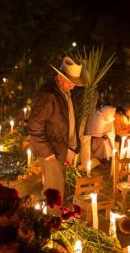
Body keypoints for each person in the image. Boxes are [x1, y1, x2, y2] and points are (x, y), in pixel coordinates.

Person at [28, 56, 87, 213]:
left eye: (74, 84)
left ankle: (53, 222)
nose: (73, 87)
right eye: (70, 82)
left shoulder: (63, 91)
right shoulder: (48, 94)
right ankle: (52, 226)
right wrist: (47, 151)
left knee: (57, 188)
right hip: (50, 152)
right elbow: (34, 125)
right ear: (60, 77)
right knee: (54, 192)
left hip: (59, 148)